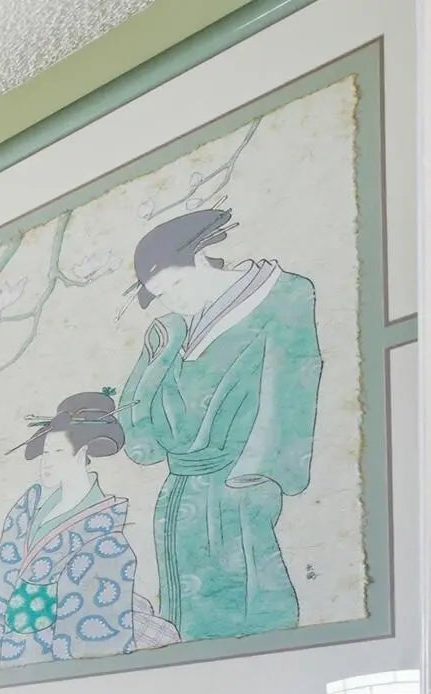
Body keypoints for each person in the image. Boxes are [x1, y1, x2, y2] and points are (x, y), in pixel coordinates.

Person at [116, 208, 321, 641]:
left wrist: (258, 477)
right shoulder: (173, 329)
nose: (173, 301)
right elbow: (140, 414)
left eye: (175, 285)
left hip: (240, 483)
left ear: (201, 258)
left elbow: (291, 389)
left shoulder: (283, 295)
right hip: (181, 489)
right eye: (162, 295)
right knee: (183, 602)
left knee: (247, 594)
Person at [0, 391, 146, 663]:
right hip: (14, 641)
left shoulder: (106, 540)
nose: (47, 461)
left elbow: (91, 630)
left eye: (57, 451)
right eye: (45, 452)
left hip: (55, 647)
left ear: (82, 453)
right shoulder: (29, 506)